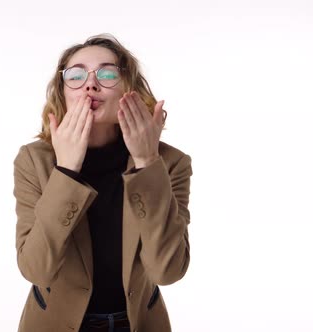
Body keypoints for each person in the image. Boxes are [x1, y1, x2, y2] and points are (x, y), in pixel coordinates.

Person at [12, 34, 193, 332]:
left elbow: (168, 271)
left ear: (129, 90)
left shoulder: (170, 162)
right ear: (62, 91)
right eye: (76, 75)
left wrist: (147, 162)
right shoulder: (35, 160)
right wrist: (67, 171)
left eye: (107, 73)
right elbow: (36, 269)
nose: (90, 84)